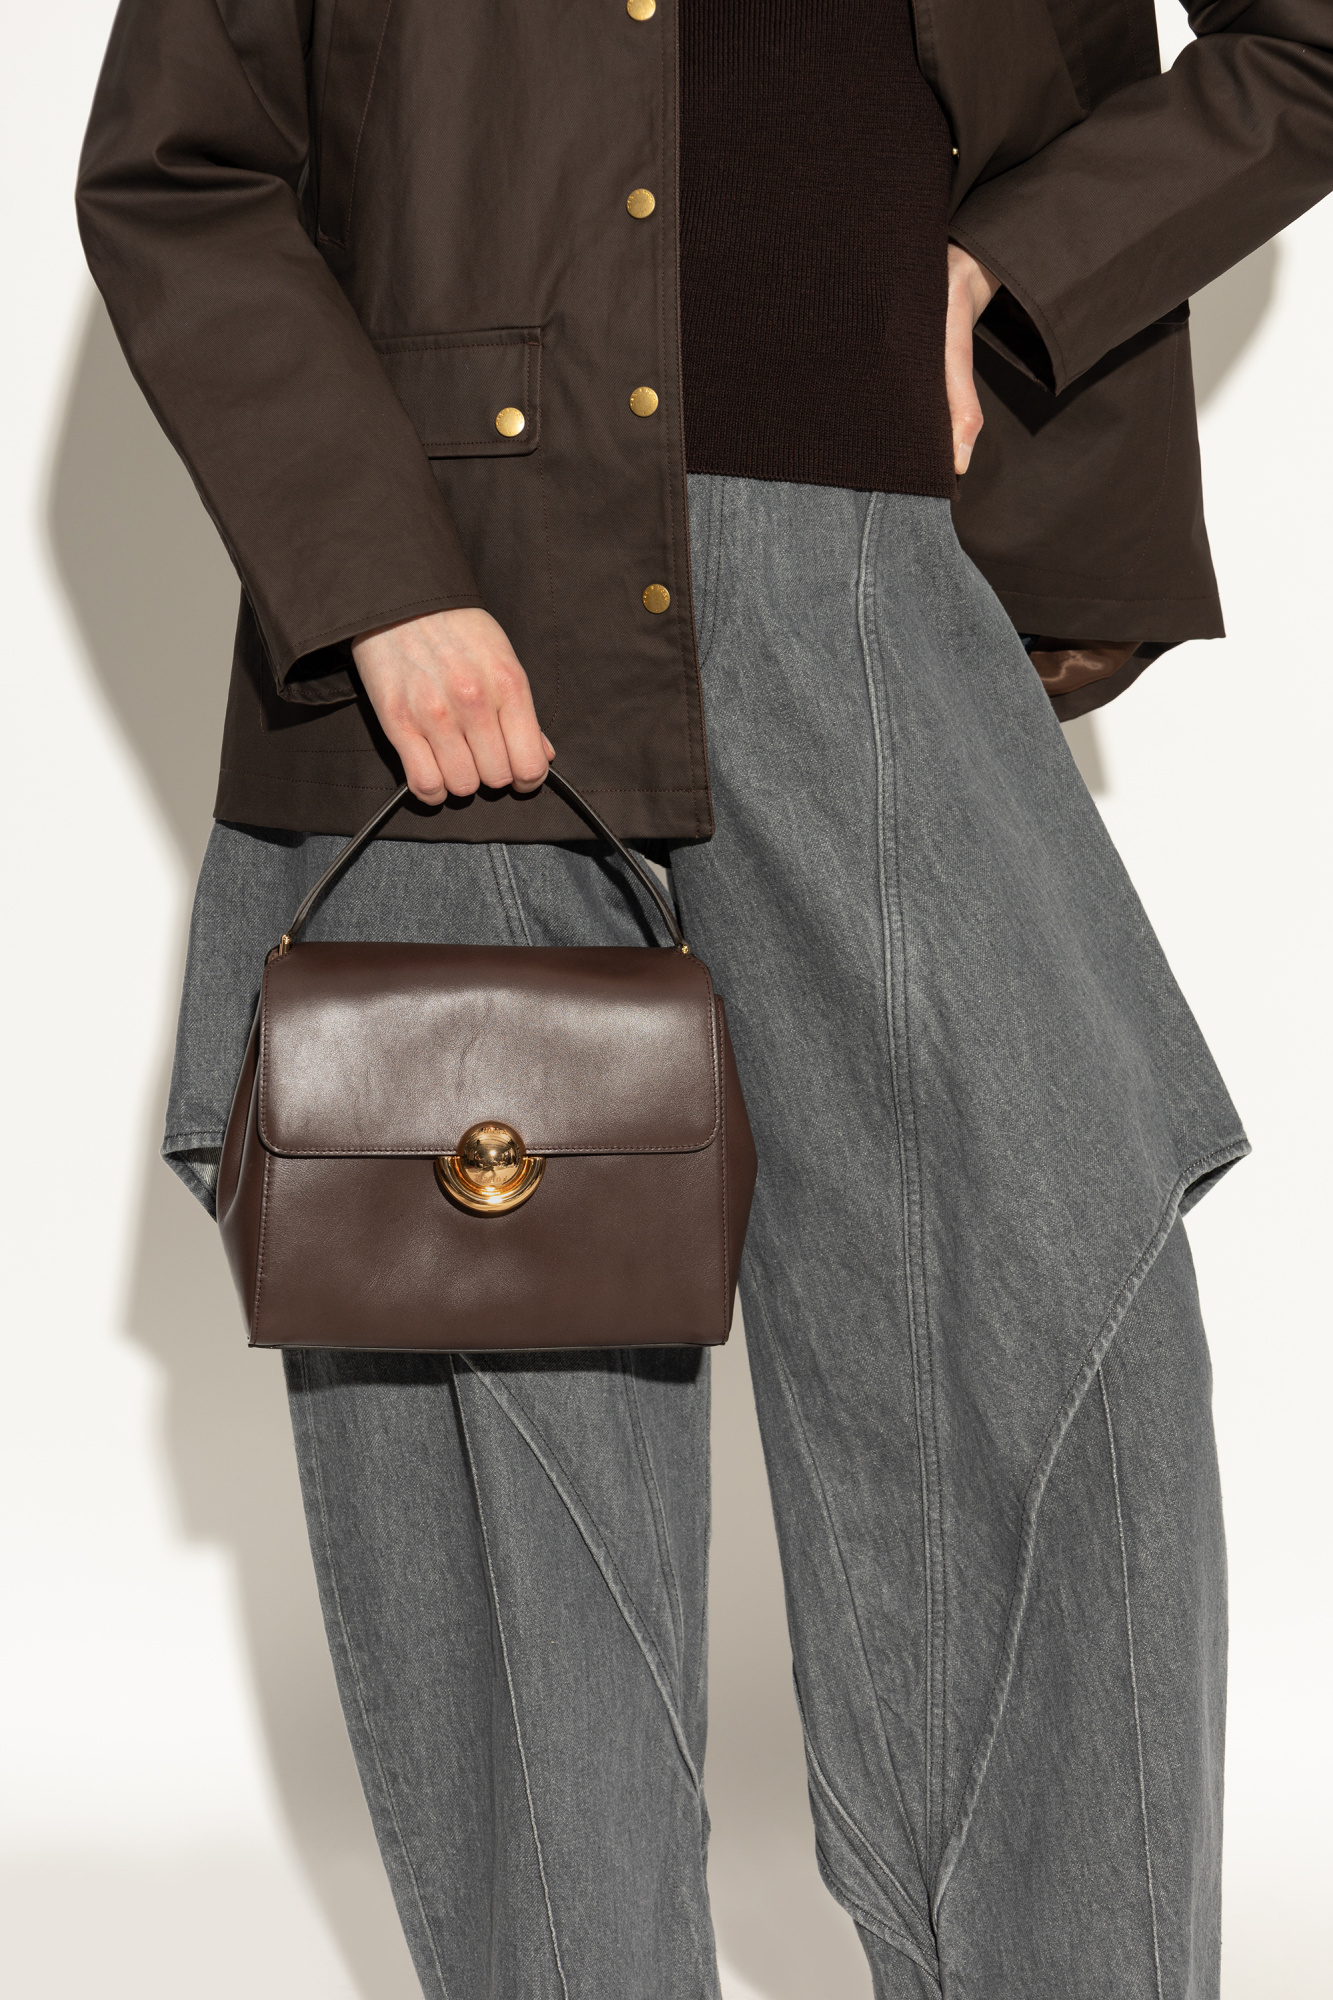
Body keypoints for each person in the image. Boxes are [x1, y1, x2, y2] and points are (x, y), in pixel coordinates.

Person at [76, 3, 1331, 1994]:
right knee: (513, 1421)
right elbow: (183, 164)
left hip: (879, 582)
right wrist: (374, 574)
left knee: (1050, 1338)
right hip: (459, 618)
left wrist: (1010, 267)